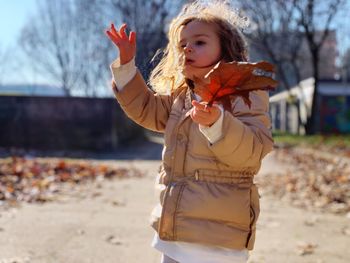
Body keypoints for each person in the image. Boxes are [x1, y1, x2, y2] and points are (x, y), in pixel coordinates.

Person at [105, 1, 274, 262]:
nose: (188, 48)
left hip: (219, 235)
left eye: (199, 42)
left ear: (225, 47)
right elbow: (147, 109)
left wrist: (218, 124)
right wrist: (126, 66)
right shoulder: (182, 97)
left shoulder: (246, 95)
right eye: (182, 44)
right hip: (176, 227)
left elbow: (252, 152)